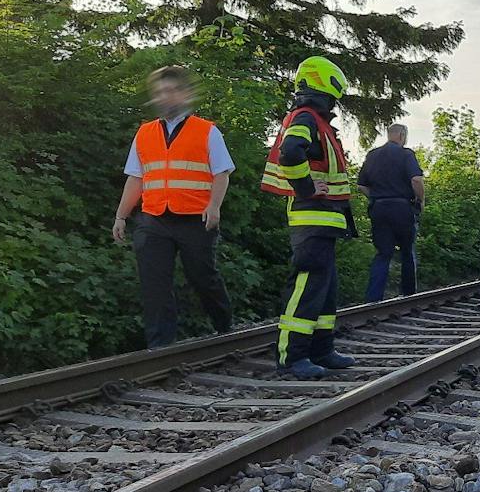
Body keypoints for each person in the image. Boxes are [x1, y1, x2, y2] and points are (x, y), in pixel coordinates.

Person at [112, 64, 234, 349]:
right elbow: (135, 177)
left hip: (195, 218)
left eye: (171, 91)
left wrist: (214, 207)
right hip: (154, 219)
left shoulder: (207, 131)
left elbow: (222, 173)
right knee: (154, 284)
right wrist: (121, 216)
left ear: (185, 94)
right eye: (160, 92)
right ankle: (160, 348)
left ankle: (225, 327)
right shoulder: (144, 133)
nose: (165, 97)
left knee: (202, 277)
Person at [261, 56, 357, 376]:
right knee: (307, 285)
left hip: (323, 220)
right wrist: (304, 188)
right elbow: (290, 151)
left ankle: (322, 349)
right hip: (311, 218)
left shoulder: (316, 120)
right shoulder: (306, 117)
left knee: (325, 288)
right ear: (325, 83)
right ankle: (292, 356)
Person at [358, 123, 426, 301]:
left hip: (379, 208)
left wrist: (376, 197)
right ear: (402, 135)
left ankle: (373, 299)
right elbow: (416, 180)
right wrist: (420, 200)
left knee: (383, 253)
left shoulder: (372, 155)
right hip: (402, 208)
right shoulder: (406, 154)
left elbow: (361, 185)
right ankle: (408, 295)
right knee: (406, 251)